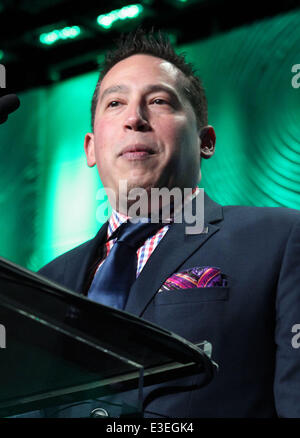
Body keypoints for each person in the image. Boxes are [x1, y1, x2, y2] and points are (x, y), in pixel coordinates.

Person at [37, 30, 300, 418]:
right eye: (115, 103)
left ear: (205, 141)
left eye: (158, 101)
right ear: (91, 148)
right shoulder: (44, 285)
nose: (134, 119)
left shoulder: (279, 240)